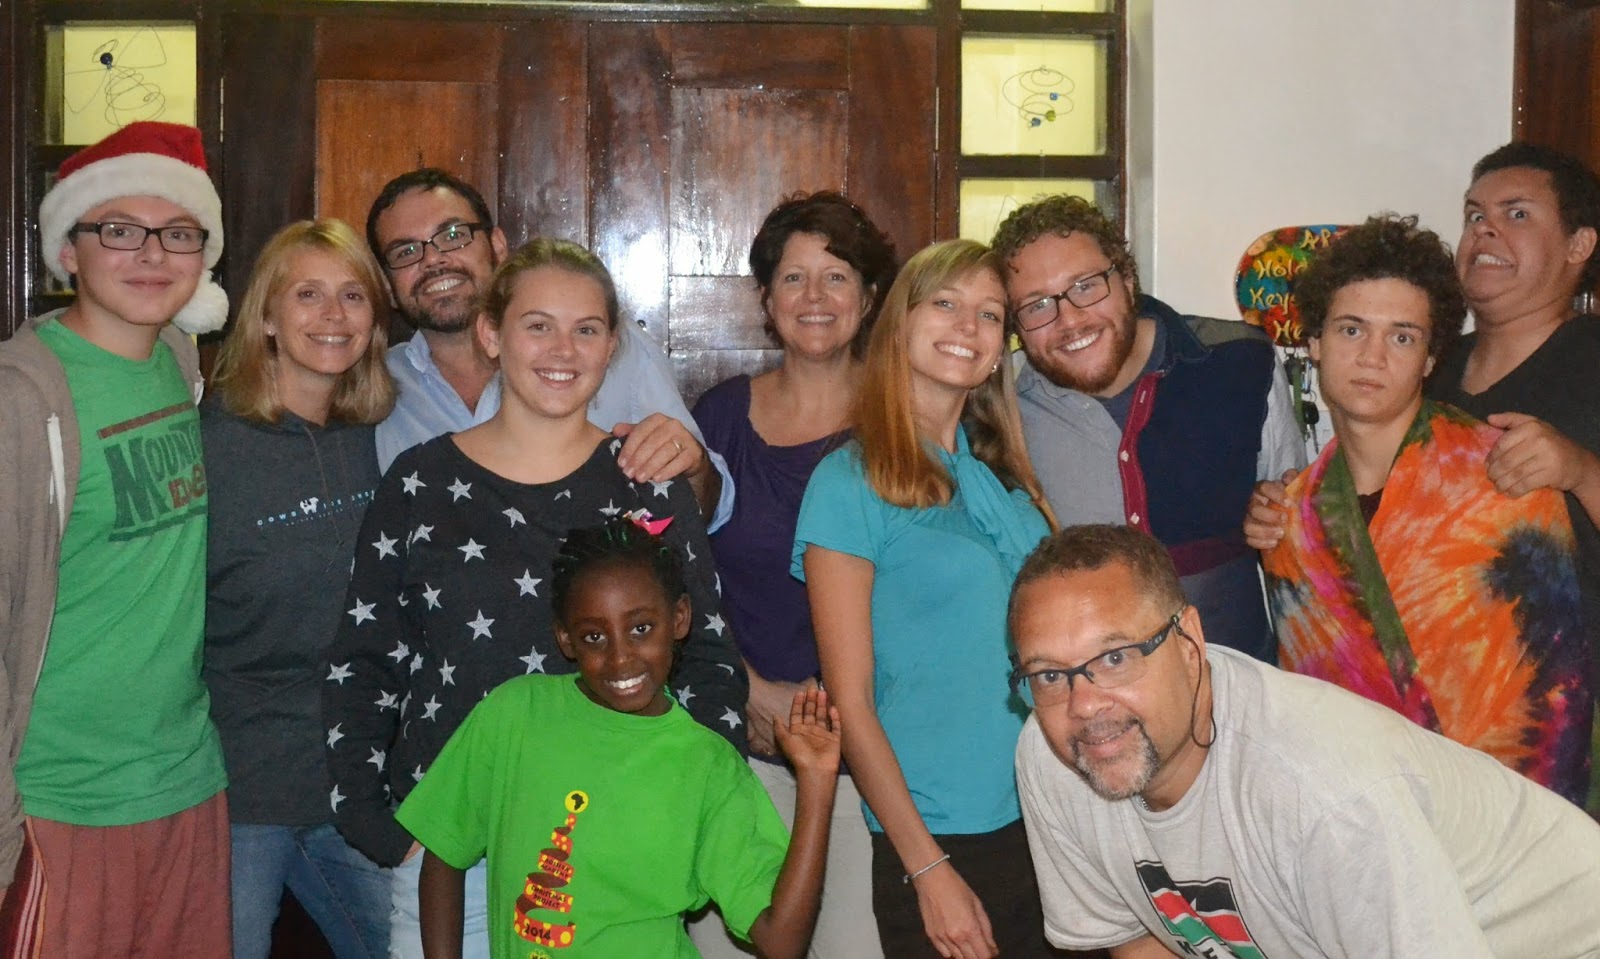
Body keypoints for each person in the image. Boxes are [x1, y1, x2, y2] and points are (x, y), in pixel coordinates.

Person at [323, 238, 748, 959]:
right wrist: (375, 823)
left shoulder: (649, 483)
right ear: (491, 334)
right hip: (454, 861)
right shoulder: (420, 482)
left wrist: (697, 810)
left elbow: (706, 656)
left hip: (615, 844)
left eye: (587, 329)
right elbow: (365, 661)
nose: (563, 350)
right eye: (538, 325)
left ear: (611, 347)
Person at [1010, 523, 1600, 958]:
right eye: (1048, 675)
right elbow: (1140, 941)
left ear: (1189, 641)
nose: (1084, 705)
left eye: (1115, 658)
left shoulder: (1323, 790)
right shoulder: (1053, 756)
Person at [395, 518, 841, 959]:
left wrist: (817, 780)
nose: (621, 657)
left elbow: (781, 941)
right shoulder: (515, 713)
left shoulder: (707, 765)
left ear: (679, 618)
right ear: (565, 638)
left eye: (641, 628)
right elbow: (445, 852)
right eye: (594, 636)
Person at [1258, 214, 1591, 803]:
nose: (1373, 357)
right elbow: (1305, 711)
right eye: (1352, 330)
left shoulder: (1505, 482)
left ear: (1432, 358)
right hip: (1352, 818)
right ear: (1314, 343)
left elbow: (1554, 699)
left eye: (1402, 337)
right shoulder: (1293, 521)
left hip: (1501, 819)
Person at [0, 121, 231, 956]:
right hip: (59, 801)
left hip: (184, 781)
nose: (152, 254)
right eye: (120, 229)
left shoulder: (180, 362)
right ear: (69, 250)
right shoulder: (23, 399)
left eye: (178, 233)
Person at [794, 238, 1057, 958]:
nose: (968, 326)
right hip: (942, 835)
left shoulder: (1006, 476)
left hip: (1050, 814)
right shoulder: (847, 483)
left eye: (989, 314)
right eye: (945, 303)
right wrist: (929, 868)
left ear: (1000, 351)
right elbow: (851, 701)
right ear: (900, 324)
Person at [688, 191, 896, 959]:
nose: (815, 297)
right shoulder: (717, 418)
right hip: (735, 749)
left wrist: (834, 710)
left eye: (836, 277)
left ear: (868, 298)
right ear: (766, 300)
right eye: (794, 278)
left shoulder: (905, 420)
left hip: (868, 762)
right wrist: (746, 686)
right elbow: (674, 581)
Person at [991, 195, 1304, 663]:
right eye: (1036, 306)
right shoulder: (1002, 404)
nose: (1069, 319)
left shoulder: (1241, 362)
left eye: (1086, 286)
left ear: (1127, 278)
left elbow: (1295, 537)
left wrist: (1275, 511)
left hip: (1238, 685)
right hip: (1089, 693)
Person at [203, 219, 397, 958]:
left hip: (353, 778)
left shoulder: (378, 433)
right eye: (308, 294)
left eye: (353, 295)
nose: (333, 315)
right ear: (266, 317)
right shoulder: (209, 441)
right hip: (240, 788)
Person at [364, 168, 733, 525]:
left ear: (497, 246)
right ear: (387, 285)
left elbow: (707, 508)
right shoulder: (374, 384)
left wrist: (695, 469)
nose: (434, 260)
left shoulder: (612, 351)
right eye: (405, 251)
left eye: (453, 235)